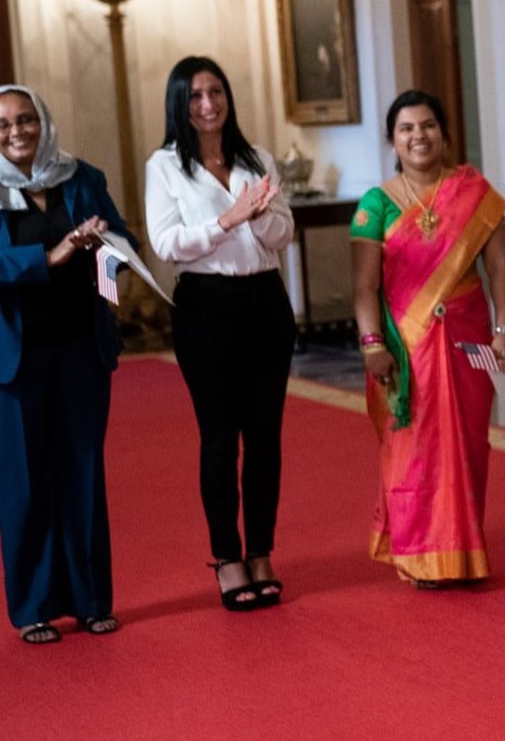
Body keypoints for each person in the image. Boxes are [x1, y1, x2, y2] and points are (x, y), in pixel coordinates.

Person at [0, 84, 135, 644]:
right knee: (25, 479)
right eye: (2, 125)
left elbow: (120, 253)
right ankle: (32, 607)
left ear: (43, 122)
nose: (17, 132)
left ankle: (93, 599)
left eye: (26, 120)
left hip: (80, 348)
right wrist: (48, 257)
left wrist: (105, 261)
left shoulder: (83, 177)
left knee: (82, 471)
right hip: (9, 357)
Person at [145, 57, 296, 611]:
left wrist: (257, 217)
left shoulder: (255, 158)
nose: (208, 104)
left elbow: (284, 232)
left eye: (216, 92)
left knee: (265, 439)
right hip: (207, 307)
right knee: (218, 438)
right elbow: (166, 244)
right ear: (179, 105)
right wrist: (227, 221)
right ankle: (227, 559)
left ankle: (261, 552)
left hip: (266, 303)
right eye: (195, 96)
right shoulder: (164, 166)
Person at [350, 90, 505, 588]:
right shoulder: (375, 204)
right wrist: (372, 343)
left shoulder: (475, 193)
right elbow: (364, 286)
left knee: (467, 447)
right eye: (406, 129)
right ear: (392, 140)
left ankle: (462, 553)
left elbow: (501, 267)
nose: (418, 136)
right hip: (405, 345)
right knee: (411, 451)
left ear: (444, 133)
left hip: (467, 340)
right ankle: (419, 553)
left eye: (427, 126)